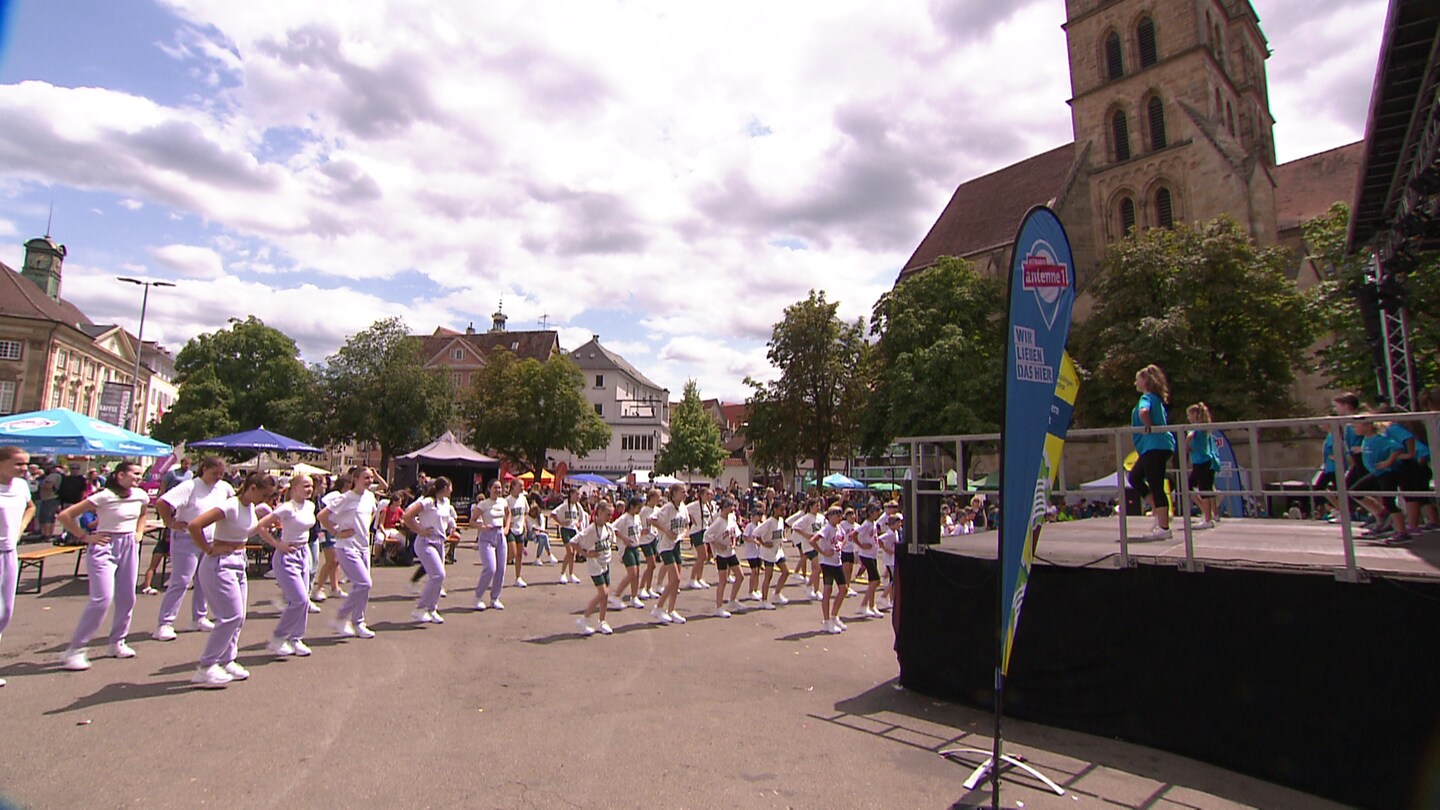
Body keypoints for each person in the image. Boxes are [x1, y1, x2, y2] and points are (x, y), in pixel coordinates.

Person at [56, 461, 150, 671]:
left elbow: (143, 513)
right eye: (134, 474)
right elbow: (65, 516)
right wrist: (84, 537)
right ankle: (75, 649)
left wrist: (139, 532)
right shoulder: (104, 495)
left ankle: (117, 641)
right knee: (102, 598)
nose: (138, 478)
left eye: (140, 475)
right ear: (120, 475)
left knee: (127, 596)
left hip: (129, 545)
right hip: (104, 545)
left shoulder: (140, 495)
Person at [186, 472, 277, 687]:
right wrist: (208, 549)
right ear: (252, 488)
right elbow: (194, 525)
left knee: (239, 617)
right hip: (221, 564)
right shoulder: (231, 505)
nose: (265, 500)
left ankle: (227, 659)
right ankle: (206, 666)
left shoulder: (248, 508)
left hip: (238, 561)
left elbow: (243, 529)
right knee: (231, 616)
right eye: (263, 495)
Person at [153, 457, 233, 641]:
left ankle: (199, 617)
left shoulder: (224, 488)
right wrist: (170, 523)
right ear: (204, 469)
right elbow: (162, 502)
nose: (218, 478)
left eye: (221, 474)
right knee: (181, 580)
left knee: (204, 579)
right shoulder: (190, 486)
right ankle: (165, 622)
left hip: (211, 539)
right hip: (186, 538)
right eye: (214, 474)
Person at [253, 474, 317, 657]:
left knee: (303, 600)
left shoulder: (310, 506)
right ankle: (278, 638)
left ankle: (296, 638)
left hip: (304, 553)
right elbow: (260, 526)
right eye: (305, 485)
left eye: (311, 486)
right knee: (299, 599)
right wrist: (278, 545)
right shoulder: (287, 508)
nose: (309, 489)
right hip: (287, 555)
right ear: (294, 488)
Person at [317, 467, 381, 638]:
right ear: (355, 478)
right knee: (364, 583)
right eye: (365, 478)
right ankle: (341, 617)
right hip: (346, 546)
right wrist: (337, 532)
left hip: (363, 546)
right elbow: (322, 516)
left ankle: (358, 622)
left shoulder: (369, 497)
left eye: (370, 478)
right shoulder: (345, 498)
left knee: (363, 587)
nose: (369, 481)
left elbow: (373, 512)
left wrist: (364, 527)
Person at [1129, 364, 1177, 541]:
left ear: (1145, 382)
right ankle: (1159, 512)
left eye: (1137, 379)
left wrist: (1148, 425)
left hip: (1154, 445)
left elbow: (1143, 412)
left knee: (1156, 485)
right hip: (1158, 445)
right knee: (1134, 477)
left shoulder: (1147, 398)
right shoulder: (1157, 399)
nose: (1135, 382)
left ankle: (1164, 527)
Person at [0, 446, 35, 687]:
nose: (24, 468)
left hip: (9, 553)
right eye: (18, 463)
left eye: (26, 464)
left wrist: (20, 529)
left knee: (5, 612)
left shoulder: (21, 487)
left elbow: (31, 507)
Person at [403, 476, 458, 624]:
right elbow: (407, 515)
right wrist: (419, 529)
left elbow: (446, 519)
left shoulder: (445, 502)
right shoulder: (428, 502)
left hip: (440, 541)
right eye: (451, 486)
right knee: (438, 575)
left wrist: (452, 528)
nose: (452, 490)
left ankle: (432, 609)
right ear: (445, 488)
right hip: (426, 541)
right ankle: (420, 608)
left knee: (440, 577)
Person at [570, 497, 617, 636]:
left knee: (605, 595)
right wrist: (585, 553)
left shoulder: (608, 528)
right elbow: (573, 542)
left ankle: (602, 621)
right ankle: (584, 618)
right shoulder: (590, 530)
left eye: (611, 515)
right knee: (603, 593)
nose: (610, 517)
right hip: (595, 565)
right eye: (607, 514)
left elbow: (611, 543)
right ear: (599, 512)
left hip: (605, 563)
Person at [648, 483, 691, 624]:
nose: (685, 494)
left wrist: (683, 534)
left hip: (676, 544)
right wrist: (666, 531)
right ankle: (658, 607)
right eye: (682, 492)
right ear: (673, 494)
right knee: (675, 579)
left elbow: (686, 524)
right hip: (666, 546)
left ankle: (671, 610)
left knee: (675, 581)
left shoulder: (683, 507)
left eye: (685, 492)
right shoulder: (667, 508)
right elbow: (651, 519)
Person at [471, 479, 509, 611]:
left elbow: (508, 514)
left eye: (499, 488)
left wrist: (506, 528)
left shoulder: (503, 502)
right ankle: (478, 597)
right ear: (489, 489)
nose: (498, 490)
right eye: (495, 488)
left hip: (500, 535)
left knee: (501, 569)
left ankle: (495, 598)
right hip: (487, 536)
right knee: (490, 568)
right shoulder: (483, 504)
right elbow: (472, 521)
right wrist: (482, 526)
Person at [811, 505, 848, 634]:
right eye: (837, 515)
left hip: (837, 562)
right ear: (830, 516)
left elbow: (844, 539)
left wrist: (839, 547)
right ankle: (826, 621)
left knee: (843, 589)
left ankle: (834, 616)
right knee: (827, 590)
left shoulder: (839, 528)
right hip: (828, 563)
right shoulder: (827, 528)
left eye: (840, 515)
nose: (839, 517)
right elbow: (813, 541)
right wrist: (823, 552)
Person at [705, 498, 744, 617]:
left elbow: (735, 533)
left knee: (740, 576)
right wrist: (717, 545)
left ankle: (732, 600)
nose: (733, 509)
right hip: (721, 555)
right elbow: (706, 536)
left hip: (730, 553)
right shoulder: (718, 522)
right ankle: (719, 607)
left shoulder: (731, 519)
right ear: (725, 507)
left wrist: (733, 542)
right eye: (731, 506)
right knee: (723, 581)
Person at [1185, 402, 1222, 529]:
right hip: (1198, 462)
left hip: (1203, 462)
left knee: (1205, 489)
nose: (1188, 418)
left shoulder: (1199, 427)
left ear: (1195, 415)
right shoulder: (1198, 427)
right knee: (1190, 486)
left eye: (1189, 415)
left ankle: (1208, 518)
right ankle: (1207, 512)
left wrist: (1187, 444)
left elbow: (1190, 436)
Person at [610, 496, 647, 609]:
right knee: (632, 573)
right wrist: (624, 539)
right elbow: (613, 528)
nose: (640, 510)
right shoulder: (624, 518)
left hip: (636, 547)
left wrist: (643, 532)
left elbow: (638, 530)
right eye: (638, 507)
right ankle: (616, 595)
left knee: (636, 574)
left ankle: (634, 596)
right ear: (632, 507)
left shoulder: (637, 518)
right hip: (627, 548)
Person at [753, 500, 791, 609]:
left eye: (784, 509)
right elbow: (756, 533)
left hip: (778, 551)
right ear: (775, 509)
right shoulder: (769, 522)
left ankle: (777, 594)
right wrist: (763, 543)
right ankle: (764, 600)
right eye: (781, 509)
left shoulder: (781, 521)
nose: (783, 512)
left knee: (786, 572)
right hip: (768, 552)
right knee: (768, 576)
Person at [854, 504, 885, 617]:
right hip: (866, 555)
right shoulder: (866, 524)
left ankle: (872, 606)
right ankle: (863, 605)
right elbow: (854, 535)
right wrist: (861, 545)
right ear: (871, 513)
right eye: (876, 512)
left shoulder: (874, 523)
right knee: (876, 581)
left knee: (873, 581)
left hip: (872, 555)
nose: (878, 514)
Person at [684, 486, 717, 590]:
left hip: (705, 532)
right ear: (701, 495)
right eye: (707, 494)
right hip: (697, 532)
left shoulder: (707, 505)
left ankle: (699, 577)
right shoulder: (694, 505)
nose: (709, 496)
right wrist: (690, 517)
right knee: (702, 556)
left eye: (710, 494)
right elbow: (684, 509)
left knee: (704, 557)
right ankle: (692, 579)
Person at [551, 489, 584, 585]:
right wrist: (561, 522)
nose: (578, 496)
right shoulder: (565, 505)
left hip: (573, 530)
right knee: (569, 551)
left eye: (579, 494)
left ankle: (571, 574)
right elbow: (553, 514)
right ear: (571, 494)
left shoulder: (578, 506)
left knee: (572, 553)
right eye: (577, 494)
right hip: (565, 530)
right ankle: (562, 573)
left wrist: (578, 523)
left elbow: (581, 518)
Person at [636, 488, 662, 599]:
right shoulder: (643, 510)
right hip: (644, 540)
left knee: (652, 566)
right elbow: (636, 523)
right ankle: (641, 588)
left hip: (654, 538)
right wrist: (640, 532)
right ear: (651, 497)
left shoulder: (657, 510)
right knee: (651, 564)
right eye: (657, 496)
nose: (659, 498)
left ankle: (649, 588)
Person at [505, 479, 529, 588]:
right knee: (513, 553)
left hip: (520, 529)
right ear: (513, 486)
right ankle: (499, 565)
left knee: (519, 554)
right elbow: (503, 515)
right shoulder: (507, 500)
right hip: (510, 529)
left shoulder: (523, 499)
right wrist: (505, 525)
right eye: (520, 485)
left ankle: (518, 577)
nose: (523, 487)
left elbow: (525, 513)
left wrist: (524, 523)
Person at [36, 464, 62, 540]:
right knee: (51, 517)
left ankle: (46, 534)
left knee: (46, 517)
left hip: (49, 498)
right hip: (54, 498)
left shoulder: (53, 476)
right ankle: (49, 533)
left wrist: (39, 485)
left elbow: (48, 486)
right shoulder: (59, 476)